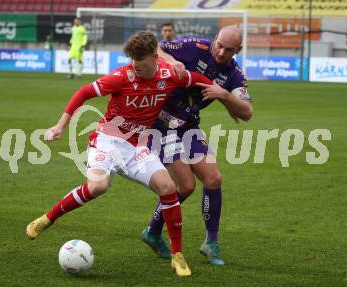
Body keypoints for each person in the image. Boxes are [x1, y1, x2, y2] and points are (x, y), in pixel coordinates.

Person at [26, 31, 213, 277]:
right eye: (132, 59)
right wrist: (60, 126)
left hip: (137, 147)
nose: (134, 65)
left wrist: (220, 91)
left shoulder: (169, 75)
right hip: (108, 140)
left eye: (140, 60)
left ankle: (177, 255)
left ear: (155, 57)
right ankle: (47, 218)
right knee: (98, 186)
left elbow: (198, 79)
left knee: (168, 187)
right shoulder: (121, 77)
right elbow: (84, 93)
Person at [141, 25, 253, 266]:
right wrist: (173, 62)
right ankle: (152, 231)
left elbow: (247, 112)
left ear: (238, 50)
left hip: (188, 125)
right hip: (160, 123)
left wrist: (224, 94)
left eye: (229, 49)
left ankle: (210, 243)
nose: (221, 52)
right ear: (214, 39)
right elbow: (156, 48)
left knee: (214, 179)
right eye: (219, 45)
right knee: (186, 185)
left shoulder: (234, 74)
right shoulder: (195, 47)